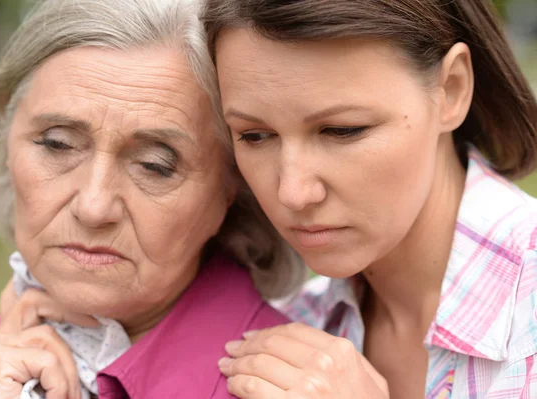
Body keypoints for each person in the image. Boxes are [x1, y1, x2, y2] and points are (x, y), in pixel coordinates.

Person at [0, 0, 306, 398]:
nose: (94, 207)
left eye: (154, 165)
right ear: (6, 137)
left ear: (234, 185)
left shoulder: (292, 386)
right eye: (58, 144)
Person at [202, 0, 537, 398]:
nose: (293, 193)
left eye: (343, 130)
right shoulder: (282, 333)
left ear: (451, 89)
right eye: (254, 135)